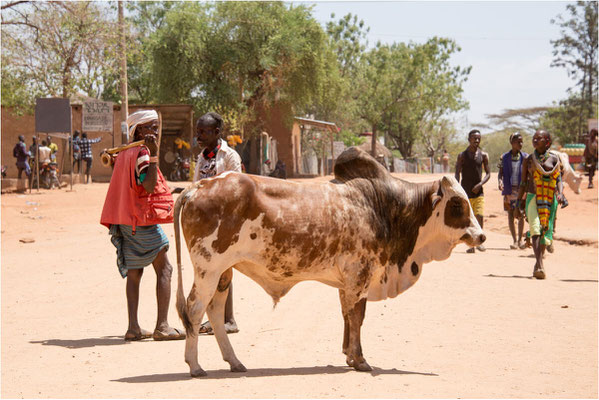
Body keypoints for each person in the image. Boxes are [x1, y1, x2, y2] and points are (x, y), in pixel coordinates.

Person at [100, 109, 185, 341]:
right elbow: (147, 186)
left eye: (156, 127)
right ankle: (162, 326)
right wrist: (155, 155)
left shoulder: (126, 153)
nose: (155, 132)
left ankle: (133, 327)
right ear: (138, 131)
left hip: (126, 219)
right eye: (150, 127)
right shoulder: (142, 153)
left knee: (135, 272)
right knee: (165, 269)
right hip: (141, 220)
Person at [193, 112, 242, 335]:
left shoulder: (230, 156)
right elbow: (197, 185)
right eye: (198, 131)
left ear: (216, 133)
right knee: (211, 269)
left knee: (224, 268)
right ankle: (217, 318)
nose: (199, 136)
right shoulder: (202, 157)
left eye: (203, 132)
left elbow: (237, 188)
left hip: (225, 220)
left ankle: (228, 319)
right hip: (205, 221)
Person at [515, 130, 567, 280]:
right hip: (532, 198)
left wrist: (561, 193)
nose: (535, 141)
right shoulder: (529, 160)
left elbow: (559, 180)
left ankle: (539, 262)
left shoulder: (555, 159)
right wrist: (518, 203)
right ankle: (539, 264)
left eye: (539, 138)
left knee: (545, 231)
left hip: (550, 199)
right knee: (535, 228)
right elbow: (523, 183)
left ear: (547, 141)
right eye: (534, 138)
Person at [455, 129, 490, 253]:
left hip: (479, 192)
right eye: (474, 138)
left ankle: (479, 241)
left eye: (478, 138)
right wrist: (457, 188)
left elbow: (488, 174)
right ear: (469, 139)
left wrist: (480, 184)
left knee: (479, 216)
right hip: (465, 192)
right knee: (468, 219)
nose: (477, 140)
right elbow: (457, 173)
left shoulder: (484, 155)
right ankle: (471, 245)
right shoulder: (462, 156)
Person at [498, 133, 528, 250]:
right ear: (512, 143)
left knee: (520, 214)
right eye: (518, 142)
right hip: (509, 190)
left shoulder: (525, 157)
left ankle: (521, 240)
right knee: (510, 215)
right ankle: (514, 240)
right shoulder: (503, 157)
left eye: (521, 141)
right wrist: (500, 182)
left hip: (521, 190)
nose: (520, 144)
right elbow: (500, 173)